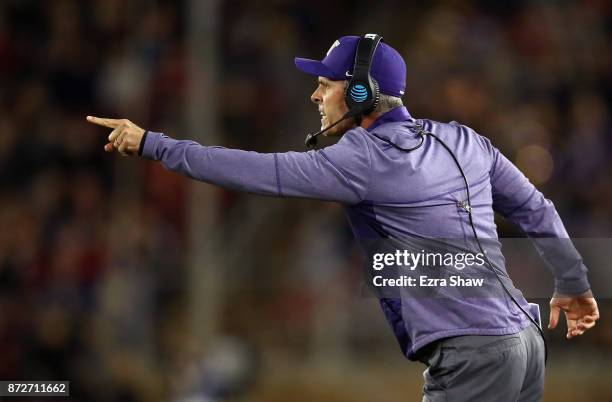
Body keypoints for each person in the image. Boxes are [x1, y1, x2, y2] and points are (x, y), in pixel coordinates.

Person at [87, 35, 599, 402]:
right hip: (525, 347)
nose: (315, 95)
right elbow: (537, 208)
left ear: (360, 95)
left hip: (473, 356)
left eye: (327, 84)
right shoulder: (464, 139)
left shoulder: (363, 157)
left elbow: (254, 171)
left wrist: (155, 144)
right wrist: (573, 281)